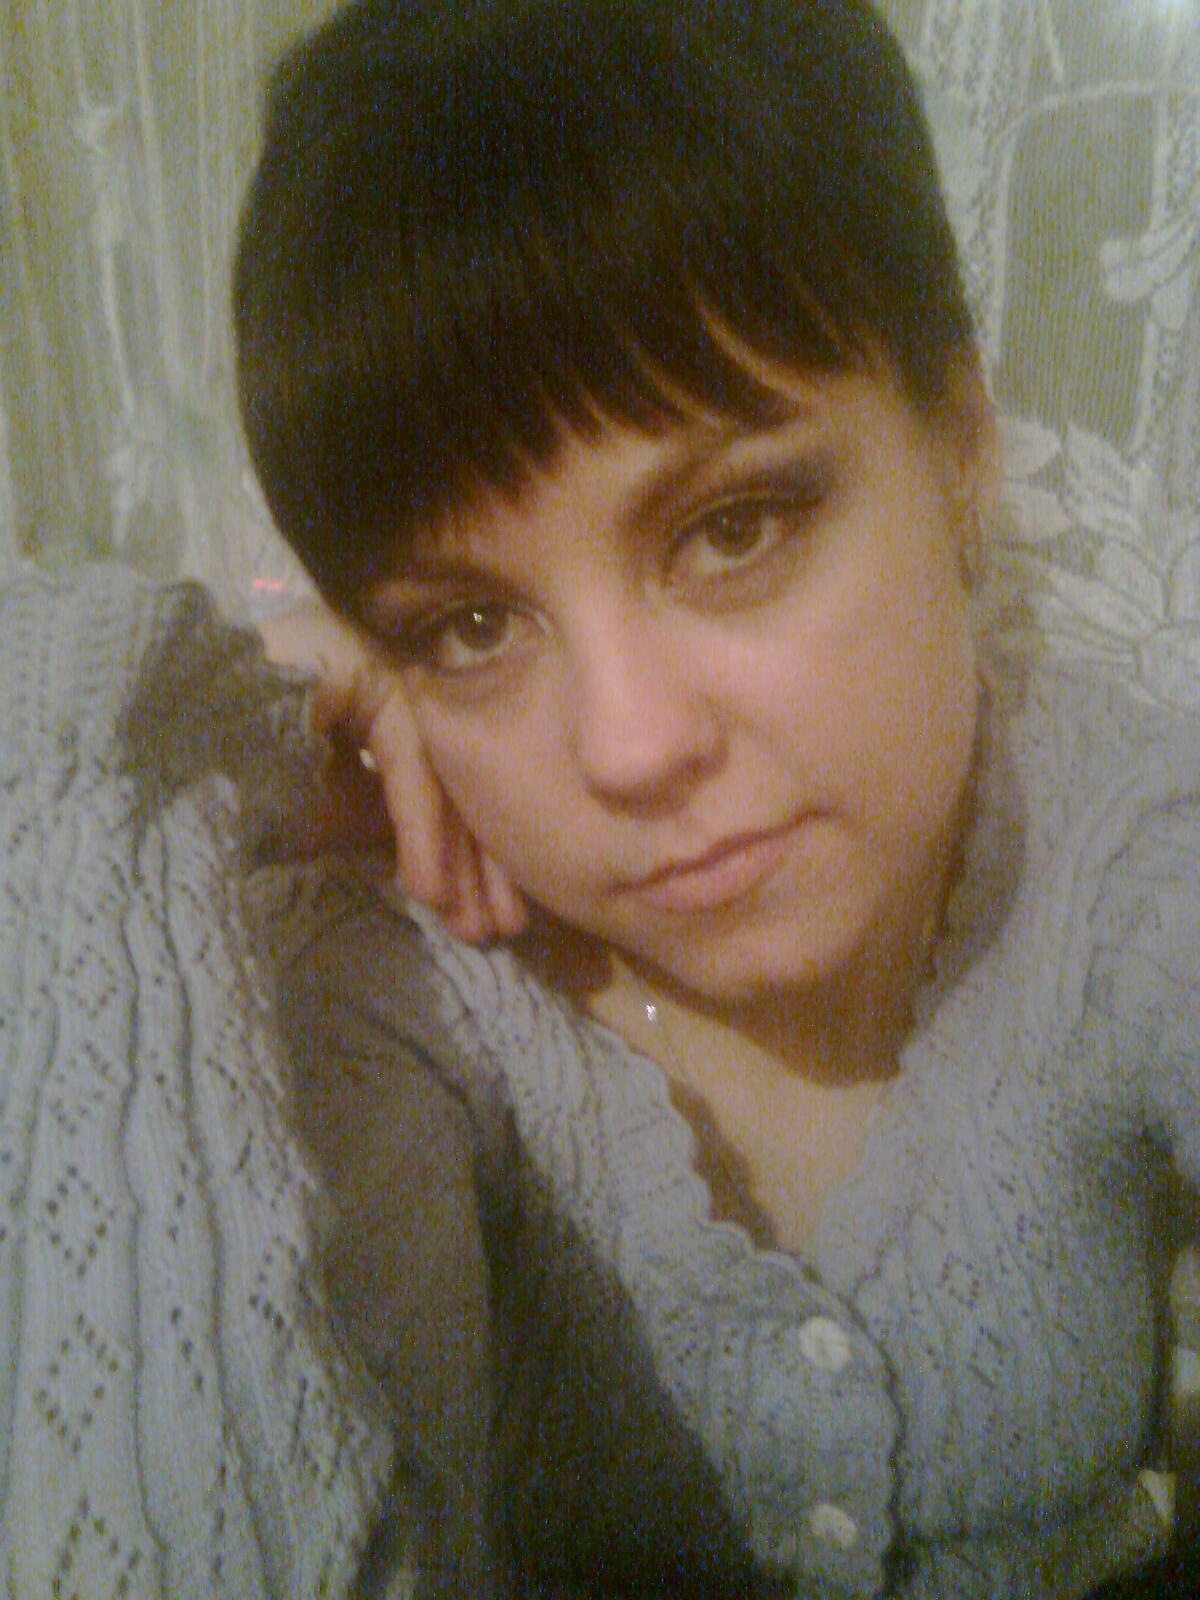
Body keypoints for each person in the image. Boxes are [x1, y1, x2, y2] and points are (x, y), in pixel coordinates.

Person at [0, 0, 1193, 1595]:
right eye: (468, 627)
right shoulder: (409, 986)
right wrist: (229, 711)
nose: (629, 749)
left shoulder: (1122, 849)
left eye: (733, 528)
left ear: (957, 449)